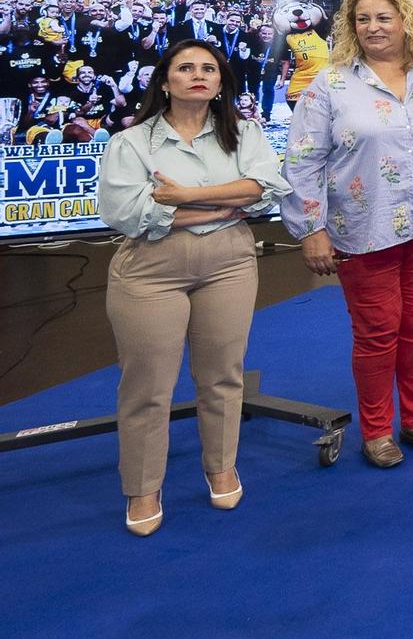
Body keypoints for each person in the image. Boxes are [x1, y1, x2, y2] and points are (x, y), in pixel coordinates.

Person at [281, 0, 413, 468]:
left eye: (384, 17)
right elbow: (302, 161)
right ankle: (377, 430)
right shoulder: (330, 86)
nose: (373, 27)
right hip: (362, 229)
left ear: (405, 22)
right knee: (377, 332)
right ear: (351, 28)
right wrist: (310, 228)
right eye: (362, 19)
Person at [96, 39, 289, 535]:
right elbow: (127, 213)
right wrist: (224, 204)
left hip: (229, 264)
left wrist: (184, 196)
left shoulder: (244, 133)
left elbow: (264, 188)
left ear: (221, 82)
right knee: (147, 387)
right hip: (150, 272)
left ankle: (220, 466)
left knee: (223, 375)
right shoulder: (131, 142)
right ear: (165, 81)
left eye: (208, 68)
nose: (198, 75)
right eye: (185, 68)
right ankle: (142, 489)